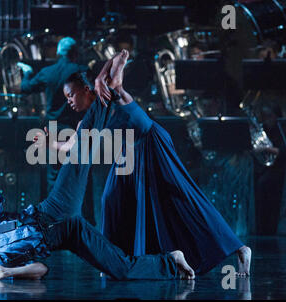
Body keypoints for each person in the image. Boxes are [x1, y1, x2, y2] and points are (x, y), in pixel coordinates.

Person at [38, 49, 252, 276]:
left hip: (151, 141)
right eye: (66, 98)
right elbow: (71, 147)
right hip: (129, 153)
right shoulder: (86, 122)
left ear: (85, 90)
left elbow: (120, 58)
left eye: (71, 95)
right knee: (111, 198)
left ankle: (239, 249)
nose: (69, 102)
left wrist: (104, 74)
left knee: (183, 195)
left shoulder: (109, 93)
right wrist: (50, 143)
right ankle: (113, 260)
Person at [0, 188, 195, 281]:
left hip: (50, 211)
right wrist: (9, 272)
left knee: (78, 157)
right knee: (121, 270)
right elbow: (41, 269)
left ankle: (91, 117)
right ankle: (171, 260)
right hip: (67, 232)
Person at [17, 37, 95, 225]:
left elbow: (25, 88)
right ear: (75, 52)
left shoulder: (48, 72)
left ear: (59, 53)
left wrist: (27, 73)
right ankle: (86, 221)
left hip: (53, 129)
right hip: (76, 126)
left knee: (54, 177)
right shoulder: (82, 71)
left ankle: (55, 223)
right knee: (82, 175)